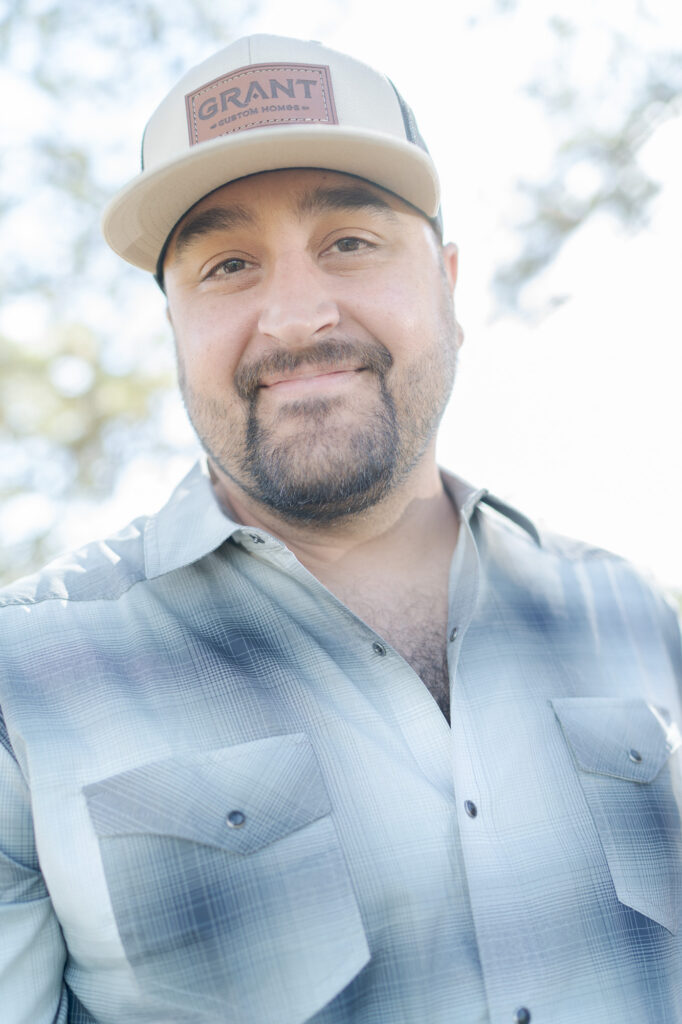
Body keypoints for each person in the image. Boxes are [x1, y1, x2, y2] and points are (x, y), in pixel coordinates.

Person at [1, 33, 681, 1024]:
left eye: (350, 243)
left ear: (449, 285)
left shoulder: (628, 613)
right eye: (228, 264)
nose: (294, 315)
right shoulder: (25, 679)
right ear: (174, 328)